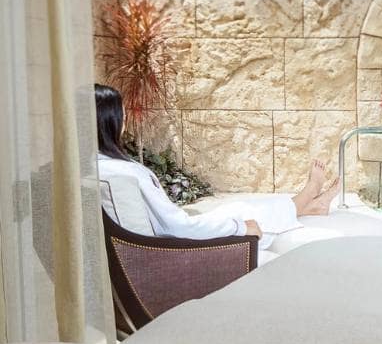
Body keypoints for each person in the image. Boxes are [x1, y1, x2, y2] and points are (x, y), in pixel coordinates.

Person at [95, 84, 338, 256]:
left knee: (240, 208)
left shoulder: (96, 167)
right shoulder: (126, 174)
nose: (125, 120)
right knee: (245, 215)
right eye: (122, 114)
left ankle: (309, 204)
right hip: (181, 249)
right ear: (109, 120)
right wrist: (240, 228)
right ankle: (308, 198)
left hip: (170, 243)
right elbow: (177, 227)